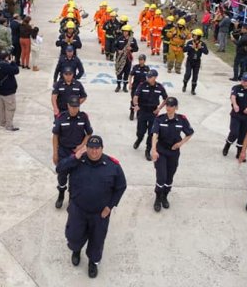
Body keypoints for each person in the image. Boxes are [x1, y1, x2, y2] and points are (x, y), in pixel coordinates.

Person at [56, 135, 126, 279]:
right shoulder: (77, 161)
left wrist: (110, 206)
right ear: (86, 148)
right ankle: (76, 250)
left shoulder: (113, 166)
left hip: (100, 214)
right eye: (91, 148)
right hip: (78, 210)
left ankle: (93, 263)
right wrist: (74, 157)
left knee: (97, 240)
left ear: (102, 149)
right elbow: (59, 168)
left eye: (97, 148)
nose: (94, 151)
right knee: (74, 236)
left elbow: (121, 186)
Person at [150, 97, 194, 212]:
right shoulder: (160, 119)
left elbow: (190, 133)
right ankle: (158, 197)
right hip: (161, 151)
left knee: (169, 177)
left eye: (171, 106)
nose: (168, 108)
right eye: (167, 105)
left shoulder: (182, 120)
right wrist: (154, 150)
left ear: (176, 107)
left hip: (173, 153)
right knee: (161, 177)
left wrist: (180, 143)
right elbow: (154, 134)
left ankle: (165, 196)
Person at [52, 95, 93, 209]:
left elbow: (89, 133)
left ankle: (72, 200)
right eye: (72, 107)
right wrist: (55, 153)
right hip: (63, 152)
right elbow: (55, 136)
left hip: (77, 153)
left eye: (76, 107)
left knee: (75, 178)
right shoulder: (61, 117)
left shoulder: (83, 117)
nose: (74, 109)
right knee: (62, 176)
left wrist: (82, 145)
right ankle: (61, 194)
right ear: (68, 106)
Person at [223, 72, 247, 159]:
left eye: (246, 81)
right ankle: (227, 145)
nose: (243, 82)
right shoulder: (236, 88)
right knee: (234, 132)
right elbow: (233, 96)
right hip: (236, 115)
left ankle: (239, 152)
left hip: (246, 117)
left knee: (243, 134)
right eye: (242, 80)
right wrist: (235, 105)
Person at [132, 69, 168, 161]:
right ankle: (139, 139)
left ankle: (147, 151)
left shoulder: (159, 87)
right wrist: (136, 105)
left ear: (155, 78)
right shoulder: (142, 85)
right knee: (140, 131)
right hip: (142, 111)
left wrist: (159, 108)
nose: (147, 78)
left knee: (151, 133)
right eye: (147, 77)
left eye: (150, 77)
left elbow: (166, 99)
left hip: (153, 113)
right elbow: (136, 96)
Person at [0, 51, 20, 132]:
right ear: (7, 57)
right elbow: (16, 70)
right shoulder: (6, 66)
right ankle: (9, 125)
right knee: (10, 108)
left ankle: (2, 122)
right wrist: (13, 62)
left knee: (1, 108)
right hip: (8, 91)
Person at [182, 28, 208, 95]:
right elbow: (184, 50)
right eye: (193, 35)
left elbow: (206, 52)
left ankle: (193, 90)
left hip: (197, 62)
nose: (193, 36)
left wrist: (201, 48)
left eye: (195, 35)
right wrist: (191, 47)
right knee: (188, 74)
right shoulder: (190, 42)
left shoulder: (202, 44)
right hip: (190, 61)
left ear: (199, 36)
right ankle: (184, 85)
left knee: (195, 76)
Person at [114, 24, 138, 92]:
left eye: (126, 31)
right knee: (119, 72)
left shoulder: (133, 40)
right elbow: (114, 46)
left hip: (128, 59)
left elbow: (136, 48)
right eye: (124, 31)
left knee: (126, 72)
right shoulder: (119, 38)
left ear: (129, 32)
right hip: (120, 58)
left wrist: (131, 48)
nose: (125, 33)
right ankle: (118, 86)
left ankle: (124, 86)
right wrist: (118, 50)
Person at [127, 54, 150, 121]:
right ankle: (132, 112)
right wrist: (130, 83)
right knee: (133, 100)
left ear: (144, 61)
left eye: (142, 60)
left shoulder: (147, 68)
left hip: (143, 87)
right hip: (135, 86)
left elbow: (149, 78)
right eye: (139, 60)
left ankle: (139, 113)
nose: (140, 61)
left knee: (141, 100)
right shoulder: (135, 67)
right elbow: (131, 75)